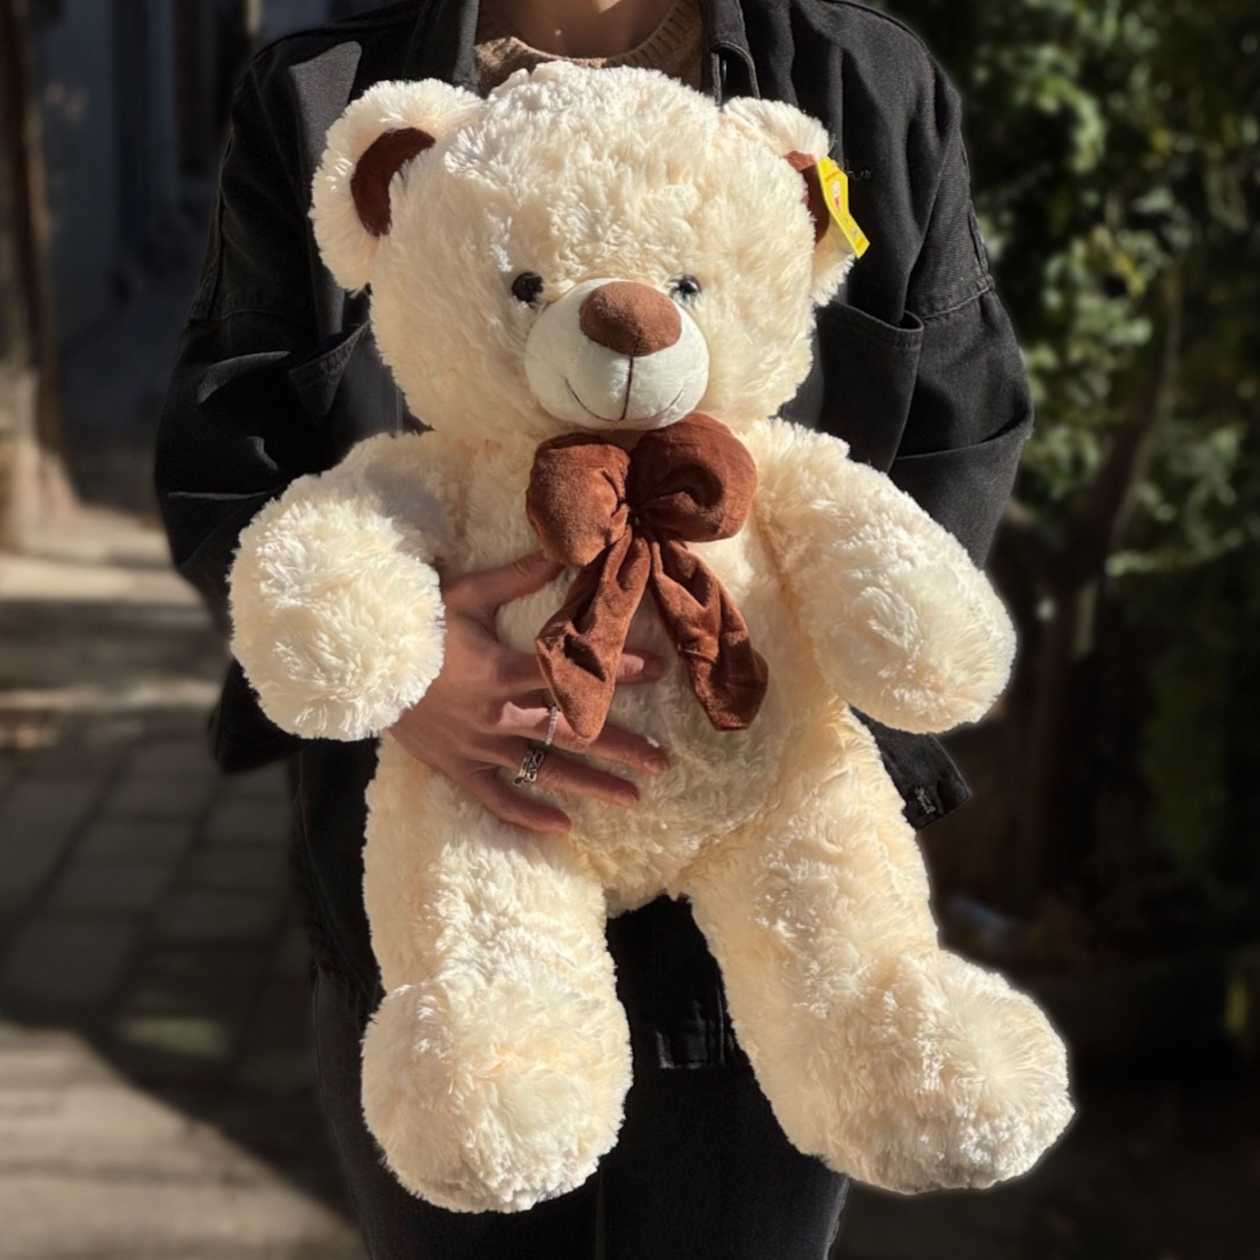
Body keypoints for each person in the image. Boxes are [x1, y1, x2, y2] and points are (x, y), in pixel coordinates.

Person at [155, 0, 1034, 1256]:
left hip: (771, 907)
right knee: (473, 1154)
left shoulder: (862, 85)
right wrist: (411, 670)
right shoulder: (320, 99)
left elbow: (963, 427)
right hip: (454, 897)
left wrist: (805, 655)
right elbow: (224, 458)